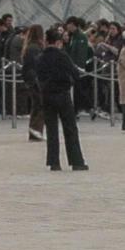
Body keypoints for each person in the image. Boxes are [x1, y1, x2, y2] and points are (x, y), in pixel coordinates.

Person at [32, 26, 87, 171]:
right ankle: (76, 161)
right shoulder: (62, 56)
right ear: (58, 42)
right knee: (70, 128)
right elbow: (75, 73)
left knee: (51, 129)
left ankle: (53, 162)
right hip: (62, 94)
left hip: (47, 95)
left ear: (46, 41)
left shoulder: (40, 58)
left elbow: (37, 77)